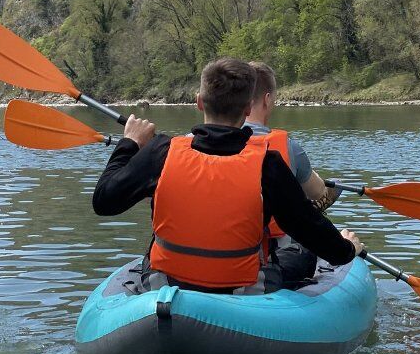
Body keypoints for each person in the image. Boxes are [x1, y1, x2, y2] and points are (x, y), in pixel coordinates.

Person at [92, 57, 363, 293]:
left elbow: (103, 201)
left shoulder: (161, 152)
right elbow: (312, 231)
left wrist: (130, 144)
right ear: (247, 110)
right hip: (242, 290)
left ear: (199, 102)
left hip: (166, 283)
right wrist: (348, 248)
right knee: (303, 250)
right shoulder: (268, 165)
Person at [245, 61, 339, 285]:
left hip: (225, 252)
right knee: (310, 225)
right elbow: (319, 193)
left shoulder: (196, 145)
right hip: (274, 255)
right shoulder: (286, 147)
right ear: (267, 99)